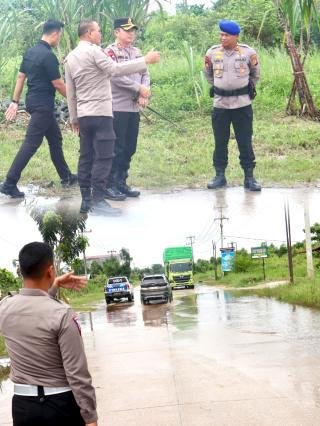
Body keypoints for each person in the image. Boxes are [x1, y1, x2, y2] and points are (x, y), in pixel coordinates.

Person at [65, 20, 160, 215]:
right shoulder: (96, 51)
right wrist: (146, 61)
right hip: (101, 112)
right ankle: (99, 199)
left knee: (86, 156)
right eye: (98, 31)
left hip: (84, 114)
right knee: (105, 156)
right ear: (90, 33)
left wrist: (74, 118)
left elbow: (70, 91)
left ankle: (86, 200)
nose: (100, 34)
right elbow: (114, 70)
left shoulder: (70, 57)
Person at [0, 241, 97, 426]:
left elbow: (32, 303)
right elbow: (76, 373)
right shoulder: (62, 314)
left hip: (23, 407)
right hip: (61, 407)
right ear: (51, 270)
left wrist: (54, 284)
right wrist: (90, 416)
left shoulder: (4, 307)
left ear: (21, 271)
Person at [0, 20, 77, 199]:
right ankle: (9, 183)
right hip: (43, 105)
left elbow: (21, 77)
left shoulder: (30, 52)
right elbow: (58, 84)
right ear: (55, 33)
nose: (59, 39)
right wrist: (76, 101)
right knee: (31, 144)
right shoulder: (48, 56)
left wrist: (15, 101)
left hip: (34, 102)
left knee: (55, 139)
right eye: (60, 36)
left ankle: (66, 177)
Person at [205, 19, 261, 191]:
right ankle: (219, 176)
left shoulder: (247, 52)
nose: (222, 38)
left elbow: (255, 74)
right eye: (221, 34)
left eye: (226, 35)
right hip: (220, 105)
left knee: (244, 141)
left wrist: (242, 87)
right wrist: (222, 87)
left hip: (242, 105)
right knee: (220, 142)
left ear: (236, 36)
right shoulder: (213, 53)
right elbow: (209, 75)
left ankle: (249, 178)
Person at [104, 17, 150, 200]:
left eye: (133, 30)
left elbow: (145, 73)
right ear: (116, 32)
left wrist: (144, 92)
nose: (131, 33)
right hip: (118, 107)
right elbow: (114, 76)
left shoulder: (137, 52)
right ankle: (110, 184)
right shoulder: (110, 52)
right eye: (127, 30)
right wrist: (138, 88)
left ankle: (122, 182)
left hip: (133, 108)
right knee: (117, 147)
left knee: (130, 147)